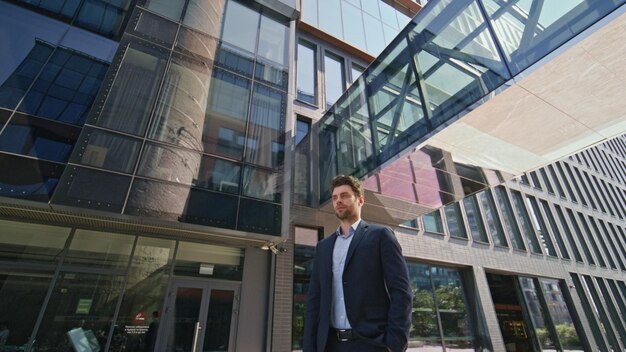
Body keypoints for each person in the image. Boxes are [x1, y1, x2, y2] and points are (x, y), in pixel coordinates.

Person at [304, 175, 413, 352]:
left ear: (360, 200)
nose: (338, 201)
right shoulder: (323, 247)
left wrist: (395, 342)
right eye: (335, 197)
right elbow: (314, 301)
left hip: (371, 344)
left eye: (345, 195)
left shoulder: (381, 236)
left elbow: (401, 292)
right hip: (330, 345)